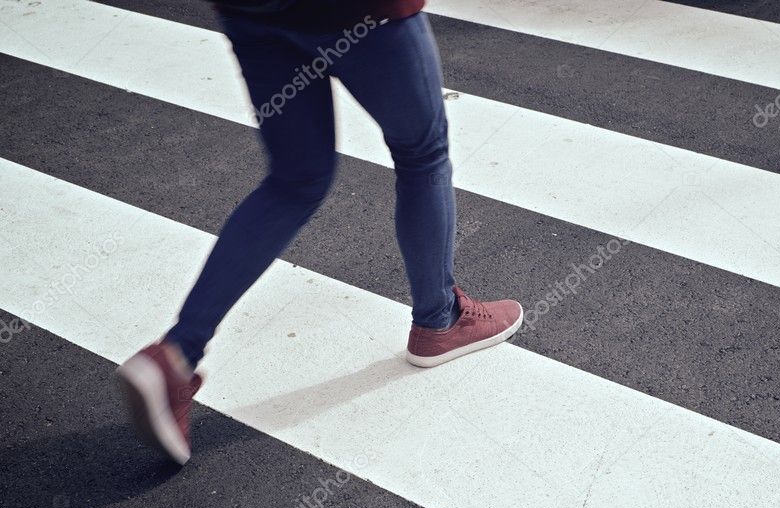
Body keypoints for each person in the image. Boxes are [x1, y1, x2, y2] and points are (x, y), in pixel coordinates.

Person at [116, 0, 522, 465]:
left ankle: (176, 354)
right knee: (421, 152)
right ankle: (439, 318)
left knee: (295, 180)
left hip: (254, 13)